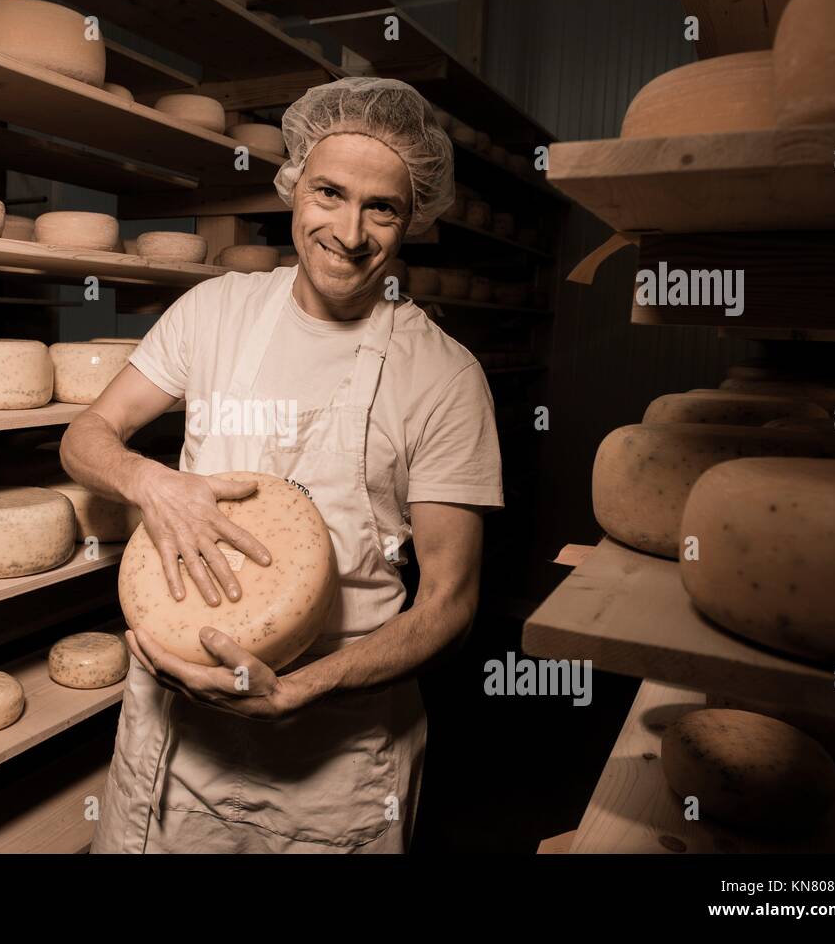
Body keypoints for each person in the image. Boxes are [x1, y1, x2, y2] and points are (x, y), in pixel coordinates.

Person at [60, 77, 503, 853]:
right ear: (294, 186)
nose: (350, 230)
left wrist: (299, 688)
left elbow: (450, 605)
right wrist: (150, 481)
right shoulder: (215, 311)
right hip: (176, 737)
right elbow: (86, 436)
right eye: (329, 192)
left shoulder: (444, 375)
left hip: (330, 755)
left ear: (412, 221)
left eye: (382, 207)